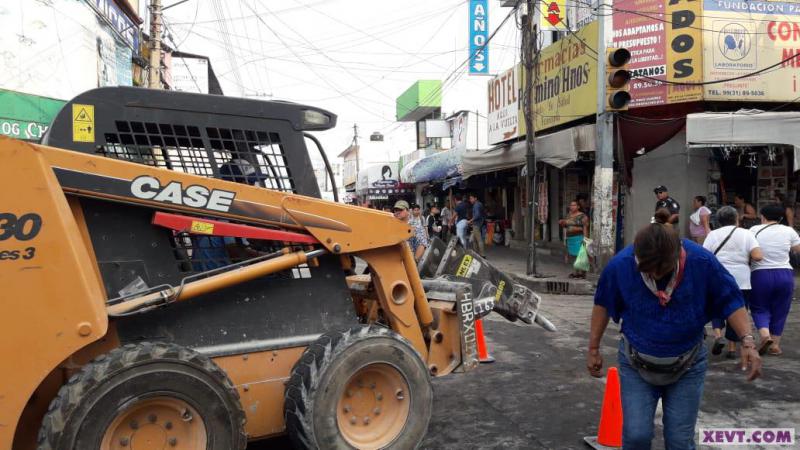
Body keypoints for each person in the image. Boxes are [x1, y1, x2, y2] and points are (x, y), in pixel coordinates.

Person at [587, 209, 762, 450]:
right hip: (636, 363)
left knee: (680, 441)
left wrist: (748, 342)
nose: (656, 274)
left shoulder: (702, 262)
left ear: (677, 255)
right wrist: (593, 348)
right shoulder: (620, 265)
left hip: (688, 365)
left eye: (662, 269)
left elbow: (731, 300)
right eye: (649, 270)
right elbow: (603, 304)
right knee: (636, 436)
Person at [703, 206, 763, 358]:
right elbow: (757, 256)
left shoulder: (712, 234)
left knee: (715, 307)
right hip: (742, 279)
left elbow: (705, 258)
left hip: (718, 278)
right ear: (736, 219)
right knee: (737, 308)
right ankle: (731, 348)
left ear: (719, 221)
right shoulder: (746, 234)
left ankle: (717, 336)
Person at [749, 203, 800, 356]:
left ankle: (765, 335)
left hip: (760, 274)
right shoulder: (789, 231)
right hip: (784, 274)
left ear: (762, 217)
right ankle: (775, 345)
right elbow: (798, 249)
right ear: (781, 217)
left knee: (759, 307)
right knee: (780, 309)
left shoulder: (753, 230)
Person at [559, 200, 589, 279]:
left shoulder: (582, 216)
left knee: (580, 255)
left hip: (579, 237)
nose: (572, 207)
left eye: (574, 205)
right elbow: (566, 226)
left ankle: (582, 273)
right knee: (573, 255)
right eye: (571, 205)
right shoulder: (568, 215)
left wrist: (585, 239)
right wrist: (562, 223)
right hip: (570, 238)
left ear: (578, 206)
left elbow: (585, 228)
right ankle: (575, 272)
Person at [468, 193, 486, 257]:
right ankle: (476, 254)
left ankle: (482, 254)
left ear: (475, 198)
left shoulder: (476, 205)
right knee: (474, 240)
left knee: (478, 239)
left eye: (471, 198)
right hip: (478, 223)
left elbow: (477, 215)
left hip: (477, 224)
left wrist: (470, 220)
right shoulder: (479, 204)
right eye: (470, 199)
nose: (470, 200)